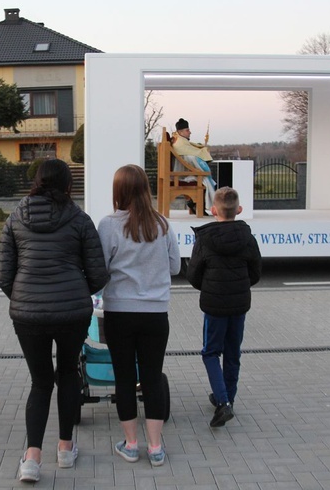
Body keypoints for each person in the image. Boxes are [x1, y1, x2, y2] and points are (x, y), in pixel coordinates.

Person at [0, 158, 108, 483]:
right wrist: (76, 292)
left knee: (40, 382)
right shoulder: (79, 218)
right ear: (67, 185)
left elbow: (4, 275)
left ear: (36, 182)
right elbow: (98, 274)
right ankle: (65, 448)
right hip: (73, 312)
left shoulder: (16, 217)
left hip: (27, 315)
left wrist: (23, 297)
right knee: (68, 373)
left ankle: (32, 458)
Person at [97, 164, 181, 467]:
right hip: (156, 314)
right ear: (146, 189)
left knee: (124, 377)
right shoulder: (163, 224)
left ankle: (131, 444)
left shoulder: (108, 225)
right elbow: (175, 268)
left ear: (118, 191)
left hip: (119, 312)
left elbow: (100, 268)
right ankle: (156, 447)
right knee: (152, 378)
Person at [185, 187, 262, 427]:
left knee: (210, 352)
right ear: (239, 209)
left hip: (214, 305)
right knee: (232, 353)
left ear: (213, 210)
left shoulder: (205, 239)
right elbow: (255, 273)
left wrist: (209, 288)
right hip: (239, 305)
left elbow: (193, 274)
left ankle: (223, 402)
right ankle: (227, 396)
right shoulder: (247, 237)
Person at [171, 118, 216, 214]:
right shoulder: (180, 143)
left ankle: (193, 204)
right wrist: (204, 151)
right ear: (180, 131)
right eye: (187, 130)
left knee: (205, 179)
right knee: (204, 180)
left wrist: (201, 147)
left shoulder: (179, 139)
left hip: (182, 172)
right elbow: (192, 155)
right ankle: (198, 208)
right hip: (181, 175)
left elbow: (191, 149)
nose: (190, 132)